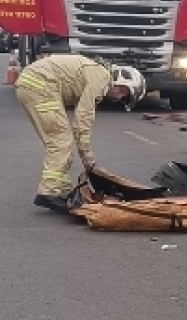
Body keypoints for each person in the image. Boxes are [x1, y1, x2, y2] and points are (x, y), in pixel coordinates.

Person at [14, 54, 129, 212]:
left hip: (31, 84)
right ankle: (50, 192)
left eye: (123, 98)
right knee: (61, 140)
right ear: (119, 79)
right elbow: (83, 118)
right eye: (122, 91)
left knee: (58, 142)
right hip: (41, 85)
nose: (119, 97)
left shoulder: (96, 71)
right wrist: (87, 156)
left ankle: (60, 190)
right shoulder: (102, 77)